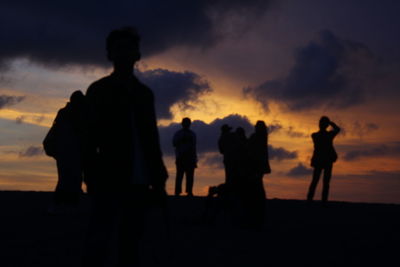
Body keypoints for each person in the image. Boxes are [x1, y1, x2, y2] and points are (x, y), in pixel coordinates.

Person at [81, 27, 168, 267]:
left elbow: (151, 138)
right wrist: (90, 175)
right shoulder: (99, 90)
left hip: (140, 180)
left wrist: (158, 178)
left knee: (131, 241)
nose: (124, 53)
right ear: (110, 54)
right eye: (119, 48)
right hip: (108, 176)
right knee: (99, 239)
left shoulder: (144, 94)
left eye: (129, 48)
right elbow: (89, 138)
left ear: (137, 54)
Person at [47, 90, 86, 214]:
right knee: (70, 179)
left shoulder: (64, 113)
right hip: (70, 151)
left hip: (65, 151)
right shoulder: (76, 114)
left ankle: (63, 205)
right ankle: (64, 205)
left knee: (67, 179)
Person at [243, 120, 271, 229]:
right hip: (260, 166)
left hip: (255, 166)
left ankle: (254, 212)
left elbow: (248, 146)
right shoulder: (263, 136)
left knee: (256, 188)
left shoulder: (257, 137)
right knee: (258, 187)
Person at [307, 116, 340, 203]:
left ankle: (311, 200)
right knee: (322, 182)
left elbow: (337, 130)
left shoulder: (315, 135)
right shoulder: (322, 135)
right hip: (325, 160)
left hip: (322, 160)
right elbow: (337, 129)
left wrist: (329, 123)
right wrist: (331, 123)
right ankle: (320, 201)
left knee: (318, 181)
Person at [173, 117, 197, 196]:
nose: (186, 124)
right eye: (185, 123)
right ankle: (178, 191)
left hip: (189, 158)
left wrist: (195, 159)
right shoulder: (178, 134)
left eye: (188, 123)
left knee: (189, 176)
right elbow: (174, 143)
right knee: (180, 175)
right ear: (182, 124)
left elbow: (194, 147)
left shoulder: (192, 134)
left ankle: (189, 191)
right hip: (181, 157)